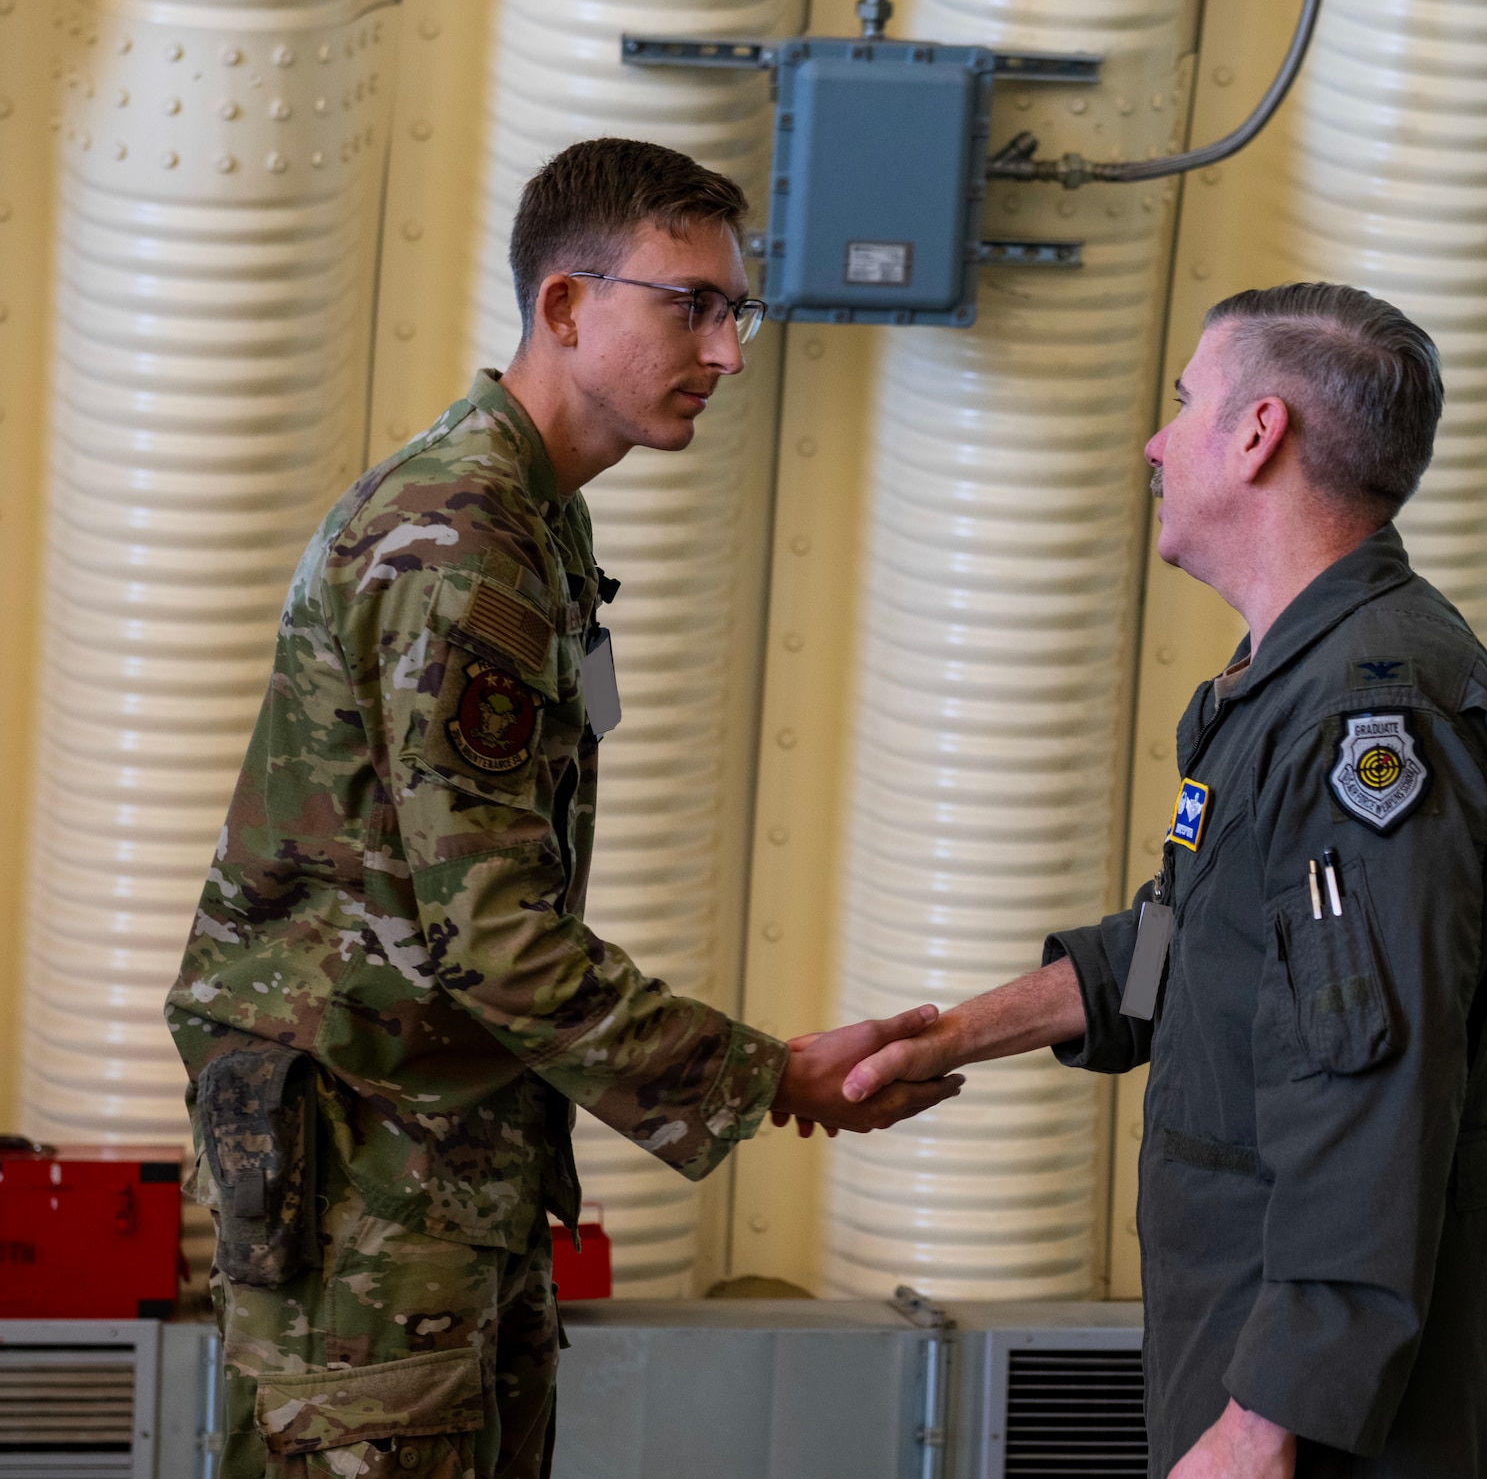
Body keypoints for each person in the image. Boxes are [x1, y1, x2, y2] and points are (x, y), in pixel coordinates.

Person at [164, 138, 961, 1479]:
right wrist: (768, 1076)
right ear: (566, 305)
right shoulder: (462, 542)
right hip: (372, 1169)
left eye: (737, 310)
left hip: (444, 1147)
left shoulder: (535, 521)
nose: (728, 352)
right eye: (691, 306)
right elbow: (494, 940)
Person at [844, 283, 1487, 1478]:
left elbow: (1370, 1089)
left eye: (1182, 404)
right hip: (1252, 1338)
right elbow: (1180, 952)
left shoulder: (1367, 718)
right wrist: (944, 1037)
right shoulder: (1289, 683)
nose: (1153, 441)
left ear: (1257, 434)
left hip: (1332, 1407)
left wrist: (1265, 1418)